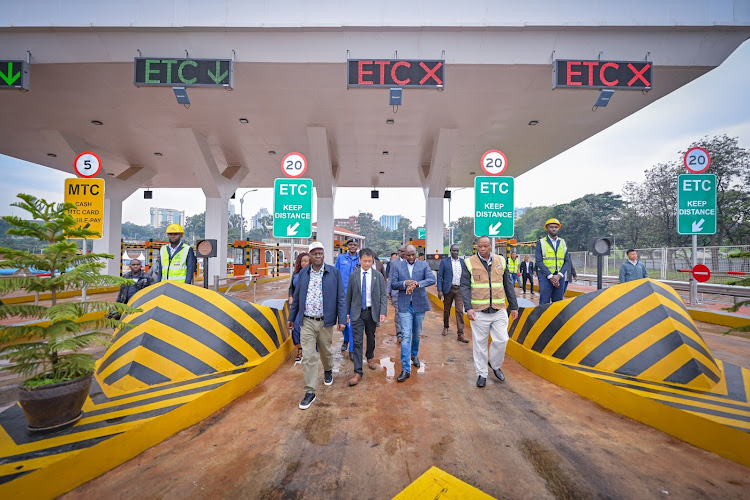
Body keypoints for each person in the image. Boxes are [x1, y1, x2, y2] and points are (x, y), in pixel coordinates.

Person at [288, 242, 347, 410]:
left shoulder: (334, 273)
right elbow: (298, 296)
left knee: (325, 350)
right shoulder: (304, 274)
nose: (318, 256)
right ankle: (310, 391)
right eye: (315, 253)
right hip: (306, 320)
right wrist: (292, 317)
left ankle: (328, 369)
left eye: (320, 253)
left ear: (324, 254)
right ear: (310, 256)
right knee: (308, 356)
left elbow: (341, 298)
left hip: (325, 322)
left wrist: (341, 319)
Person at [460, 236, 519, 388]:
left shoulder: (501, 261)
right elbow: (464, 287)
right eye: (480, 246)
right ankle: (481, 374)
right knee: (479, 345)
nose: (483, 248)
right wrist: (469, 308)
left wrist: (514, 306)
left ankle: (494, 364)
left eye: (486, 246)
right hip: (479, 311)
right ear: (477, 247)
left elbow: (508, 285)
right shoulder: (469, 262)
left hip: (499, 309)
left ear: (491, 246)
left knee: (502, 340)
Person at [391, 244, 436, 382]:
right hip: (405, 305)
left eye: (413, 255)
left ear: (416, 254)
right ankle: (405, 369)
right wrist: (405, 283)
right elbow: (393, 283)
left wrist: (417, 283)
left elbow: (431, 279)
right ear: (403, 254)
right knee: (405, 336)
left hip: (419, 305)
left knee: (416, 334)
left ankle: (414, 355)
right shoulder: (398, 266)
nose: (410, 257)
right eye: (408, 255)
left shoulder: (423, 265)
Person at [345, 248, 388, 386]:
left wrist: (383, 312)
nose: (367, 264)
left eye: (370, 261)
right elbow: (349, 296)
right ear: (360, 260)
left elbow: (383, 295)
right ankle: (358, 371)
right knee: (357, 341)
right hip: (357, 312)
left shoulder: (378, 276)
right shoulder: (354, 276)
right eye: (365, 261)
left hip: (372, 312)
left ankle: (370, 357)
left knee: (371, 337)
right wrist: (346, 313)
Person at [437, 244, 468, 343]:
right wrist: (440, 290)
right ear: (450, 251)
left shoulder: (463, 262)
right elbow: (440, 276)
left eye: (457, 251)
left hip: (459, 290)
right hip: (448, 289)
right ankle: (446, 327)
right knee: (447, 310)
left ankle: (460, 333)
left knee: (459, 311)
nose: (456, 252)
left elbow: (466, 276)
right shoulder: (444, 262)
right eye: (454, 250)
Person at [535, 219, 570, 304]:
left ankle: (557, 318)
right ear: (547, 228)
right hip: (545, 276)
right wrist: (550, 276)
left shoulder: (563, 242)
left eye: (556, 227)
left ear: (558, 228)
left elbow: (567, 261)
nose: (554, 229)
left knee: (558, 303)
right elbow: (539, 261)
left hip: (559, 277)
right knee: (544, 302)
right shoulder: (541, 242)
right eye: (551, 227)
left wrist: (559, 275)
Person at [335, 238, 360, 354]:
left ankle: (352, 350)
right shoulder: (341, 258)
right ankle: (346, 340)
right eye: (351, 245)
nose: (353, 246)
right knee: (343, 320)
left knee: (353, 323)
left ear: (357, 246)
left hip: (356, 295)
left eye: (355, 245)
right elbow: (335, 274)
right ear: (347, 246)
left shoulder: (361, 259)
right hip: (343, 295)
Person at [288, 252, 310, 362]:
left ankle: (310, 350)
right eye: (302, 261)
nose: (304, 263)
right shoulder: (296, 273)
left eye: (306, 261)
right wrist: (290, 297)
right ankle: (299, 349)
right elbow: (291, 287)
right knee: (296, 327)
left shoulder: (313, 273)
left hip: (309, 305)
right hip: (297, 305)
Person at [387, 245, 406, 342]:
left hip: (408, 293)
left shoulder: (411, 261)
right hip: (396, 292)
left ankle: (406, 333)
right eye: (399, 250)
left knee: (406, 314)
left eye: (402, 251)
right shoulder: (394, 262)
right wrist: (388, 291)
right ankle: (399, 334)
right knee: (398, 313)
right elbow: (390, 277)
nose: (400, 252)